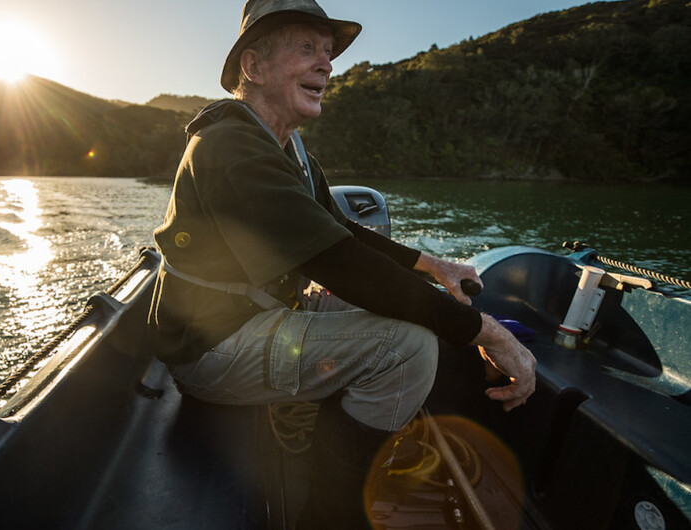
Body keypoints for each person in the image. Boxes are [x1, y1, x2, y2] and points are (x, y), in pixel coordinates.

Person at [148, 0, 537, 528]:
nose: (326, 64)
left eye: (328, 53)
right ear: (254, 67)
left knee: (400, 312)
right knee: (407, 347)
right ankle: (330, 513)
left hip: (250, 317)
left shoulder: (288, 148)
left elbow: (343, 231)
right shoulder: (229, 147)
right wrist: (489, 333)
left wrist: (434, 266)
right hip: (209, 348)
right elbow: (340, 261)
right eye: (306, 48)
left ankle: (337, 442)